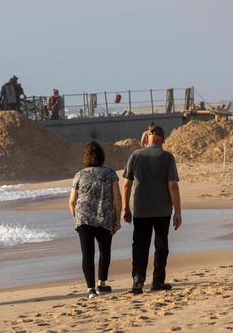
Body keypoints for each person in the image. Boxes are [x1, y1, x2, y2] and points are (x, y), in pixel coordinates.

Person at [122, 126, 182, 294]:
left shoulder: (136, 155)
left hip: (141, 208)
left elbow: (126, 184)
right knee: (161, 245)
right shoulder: (167, 156)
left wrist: (126, 208)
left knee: (140, 245)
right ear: (163, 139)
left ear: (147, 138)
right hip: (162, 209)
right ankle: (157, 281)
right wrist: (178, 211)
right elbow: (173, 185)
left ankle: (138, 279)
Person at [69, 142, 122, 299]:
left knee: (87, 253)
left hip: (83, 218)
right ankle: (102, 284)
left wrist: (77, 219)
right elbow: (117, 198)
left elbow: (72, 201)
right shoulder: (110, 174)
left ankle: (90, 289)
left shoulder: (79, 175)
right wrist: (117, 219)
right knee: (105, 251)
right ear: (102, 156)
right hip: (104, 217)